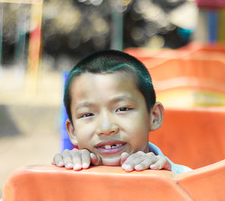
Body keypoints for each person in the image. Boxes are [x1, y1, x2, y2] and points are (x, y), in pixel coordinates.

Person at [52, 50, 191, 174]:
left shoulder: (183, 178)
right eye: (87, 114)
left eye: (123, 109)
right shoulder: (64, 175)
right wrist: (63, 175)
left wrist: (169, 179)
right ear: (73, 131)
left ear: (154, 116)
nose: (106, 128)